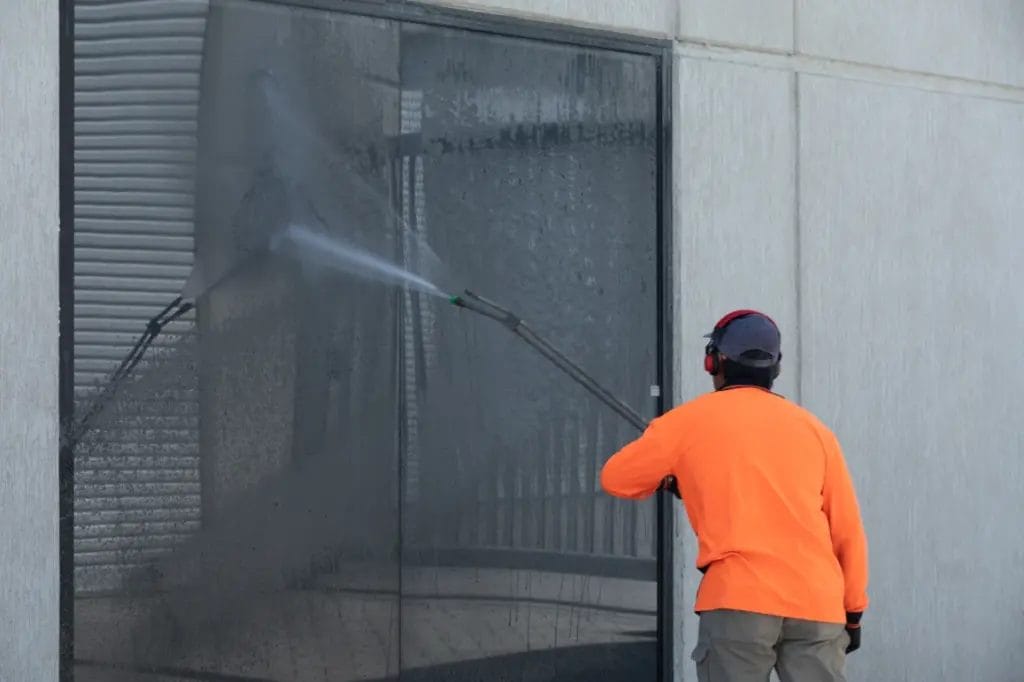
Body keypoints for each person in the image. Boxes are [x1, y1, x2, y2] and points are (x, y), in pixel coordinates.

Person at [600, 309, 869, 682]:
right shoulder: (815, 431)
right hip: (817, 604)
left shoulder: (687, 422)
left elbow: (616, 477)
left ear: (714, 362)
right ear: (775, 367)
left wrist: (672, 480)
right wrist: (852, 611)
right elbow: (847, 530)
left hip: (738, 601)